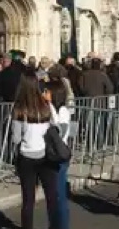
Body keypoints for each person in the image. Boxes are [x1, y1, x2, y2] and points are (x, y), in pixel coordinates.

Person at [9, 80, 60, 229]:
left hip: (26, 156)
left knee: (28, 199)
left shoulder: (19, 108)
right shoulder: (46, 106)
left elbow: (16, 138)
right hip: (45, 155)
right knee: (51, 197)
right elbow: (56, 128)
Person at [43, 79, 72, 229]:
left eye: (47, 91)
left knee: (59, 195)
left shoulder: (62, 111)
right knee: (52, 196)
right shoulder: (47, 107)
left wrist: (51, 114)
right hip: (48, 154)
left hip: (59, 155)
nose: (44, 94)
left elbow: (61, 132)